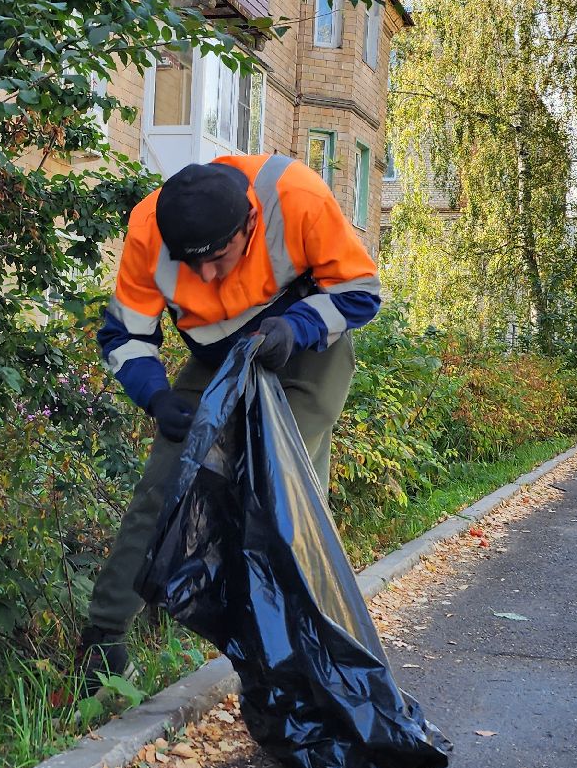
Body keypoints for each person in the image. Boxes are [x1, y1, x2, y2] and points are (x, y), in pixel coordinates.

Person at [77, 153, 381, 691]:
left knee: (287, 489)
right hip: (218, 355)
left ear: (250, 224)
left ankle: (303, 651)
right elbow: (126, 335)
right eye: (192, 264)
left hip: (305, 348)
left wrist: (297, 326)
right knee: (164, 484)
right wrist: (158, 399)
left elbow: (359, 291)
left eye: (218, 257)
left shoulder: (297, 198)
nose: (208, 276)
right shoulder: (151, 227)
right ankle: (102, 645)